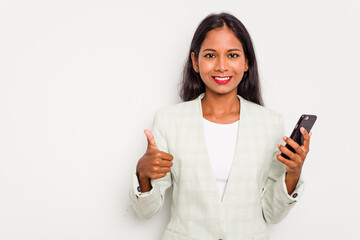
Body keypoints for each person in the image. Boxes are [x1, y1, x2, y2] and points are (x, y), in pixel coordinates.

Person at [129, 12, 312, 239]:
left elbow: (271, 214)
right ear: (195, 62)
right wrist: (143, 173)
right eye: (210, 55)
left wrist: (293, 172)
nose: (222, 66)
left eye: (233, 55)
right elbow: (146, 210)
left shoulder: (270, 123)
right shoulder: (169, 121)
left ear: (246, 63)